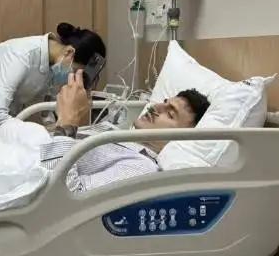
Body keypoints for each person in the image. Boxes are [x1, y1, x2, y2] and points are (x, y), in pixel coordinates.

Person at [37, 70, 209, 192]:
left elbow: (63, 198)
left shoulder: (141, 167)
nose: (155, 107)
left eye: (170, 114)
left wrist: (67, 122)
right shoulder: (113, 131)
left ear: (181, 138)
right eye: (164, 102)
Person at [0, 23, 107, 140]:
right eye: (75, 71)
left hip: (5, 126)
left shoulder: (55, 65)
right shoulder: (20, 56)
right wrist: (38, 133)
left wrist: (54, 130)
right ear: (69, 52)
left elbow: (48, 106)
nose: (72, 77)